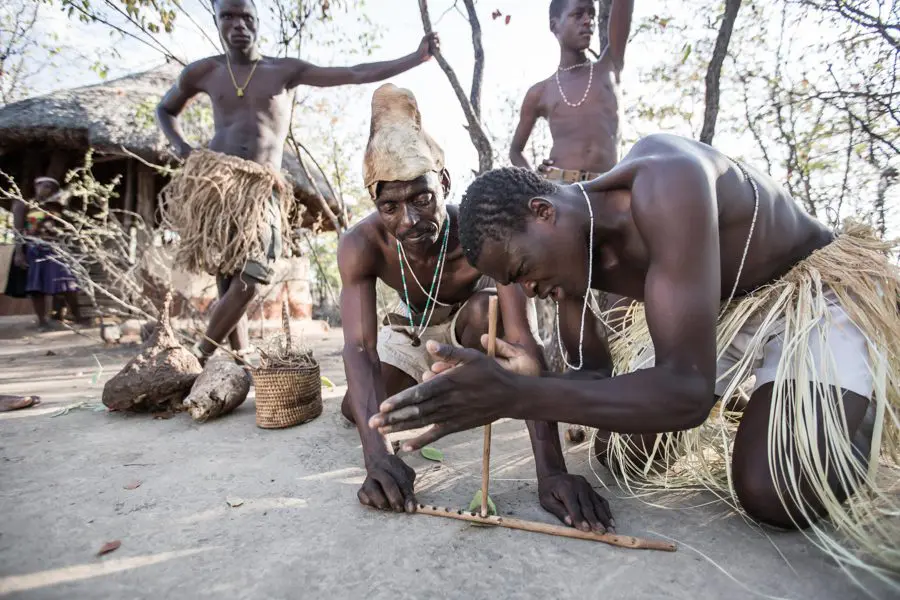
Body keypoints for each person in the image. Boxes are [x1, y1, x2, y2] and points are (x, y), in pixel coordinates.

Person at [370, 133, 900, 567]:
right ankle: (766, 396)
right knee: (623, 457)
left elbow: (685, 396)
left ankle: (856, 412)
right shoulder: (567, 257)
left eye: (522, 273)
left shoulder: (666, 181)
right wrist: (510, 401)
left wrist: (513, 397)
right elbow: (594, 381)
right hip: (716, 308)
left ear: (543, 211)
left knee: (770, 493)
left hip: (813, 296)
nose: (528, 291)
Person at [339, 83, 612, 533]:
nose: (408, 221)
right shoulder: (361, 244)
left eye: (422, 199)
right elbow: (359, 348)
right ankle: (450, 395)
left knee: (491, 310)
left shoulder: (477, 230)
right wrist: (377, 457)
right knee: (361, 409)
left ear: (443, 183)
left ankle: (470, 389)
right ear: (375, 203)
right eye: (390, 206)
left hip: (470, 331)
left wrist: (551, 471)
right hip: (411, 329)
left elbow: (524, 342)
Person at [156, 0, 439, 364]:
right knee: (228, 274)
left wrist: (414, 58)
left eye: (246, 17)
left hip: (261, 188)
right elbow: (165, 109)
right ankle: (234, 357)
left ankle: (197, 355)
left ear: (258, 22)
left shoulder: (282, 71)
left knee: (254, 274)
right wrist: (182, 147)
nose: (238, 24)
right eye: (228, 16)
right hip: (218, 185)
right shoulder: (203, 72)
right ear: (216, 20)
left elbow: (353, 72)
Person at [510, 0, 634, 326]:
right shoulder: (541, 92)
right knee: (570, 287)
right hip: (563, 194)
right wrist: (534, 182)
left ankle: (626, 361)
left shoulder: (609, 65)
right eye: (577, 14)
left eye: (591, 15)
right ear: (554, 25)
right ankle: (581, 367)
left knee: (625, 278)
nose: (587, 22)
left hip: (609, 189)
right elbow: (515, 151)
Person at [17, 177, 83, 330]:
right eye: (42, 186)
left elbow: (68, 228)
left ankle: (78, 316)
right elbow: (19, 231)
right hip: (35, 249)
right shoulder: (27, 206)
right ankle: (42, 321)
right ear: (36, 186)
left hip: (56, 248)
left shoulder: (59, 207)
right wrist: (20, 253)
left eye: (50, 187)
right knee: (36, 287)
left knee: (67, 283)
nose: (45, 189)